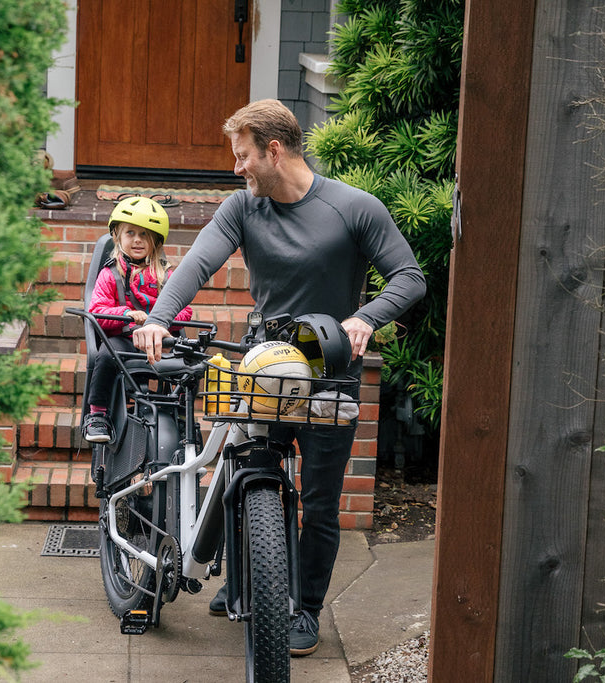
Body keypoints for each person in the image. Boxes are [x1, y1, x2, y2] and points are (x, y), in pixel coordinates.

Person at [132, 99, 426, 656]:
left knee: (319, 502)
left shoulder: (354, 208)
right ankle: (249, 582)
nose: (237, 168)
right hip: (263, 366)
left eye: (243, 156)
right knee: (246, 470)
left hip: (329, 374)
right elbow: (196, 264)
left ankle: (305, 610)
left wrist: (365, 317)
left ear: (273, 150)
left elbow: (409, 278)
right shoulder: (243, 208)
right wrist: (156, 319)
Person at [83, 196, 193, 443]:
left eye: (145, 234)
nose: (137, 240)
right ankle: (98, 415)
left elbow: (186, 312)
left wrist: (160, 320)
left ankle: (184, 414)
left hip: (160, 342)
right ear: (117, 237)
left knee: (189, 362)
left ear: (155, 241)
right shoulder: (110, 274)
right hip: (124, 340)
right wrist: (126, 314)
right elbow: (98, 309)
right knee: (106, 354)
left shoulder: (167, 275)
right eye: (130, 233)